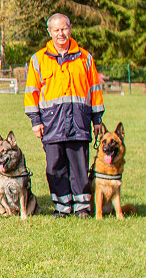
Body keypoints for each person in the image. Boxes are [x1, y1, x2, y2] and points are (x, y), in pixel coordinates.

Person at [25, 13, 106, 218]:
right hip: (51, 123)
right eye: (56, 30)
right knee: (55, 166)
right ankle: (62, 207)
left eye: (64, 29)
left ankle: (82, 207)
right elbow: (31, 93)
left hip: (79, 120)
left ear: (70, 29)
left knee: (79, 166)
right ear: (49, 32)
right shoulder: (38, 59)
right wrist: (36, 122)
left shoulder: (85, 57)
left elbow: (95, 91)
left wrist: (97, 120)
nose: (61, 33)